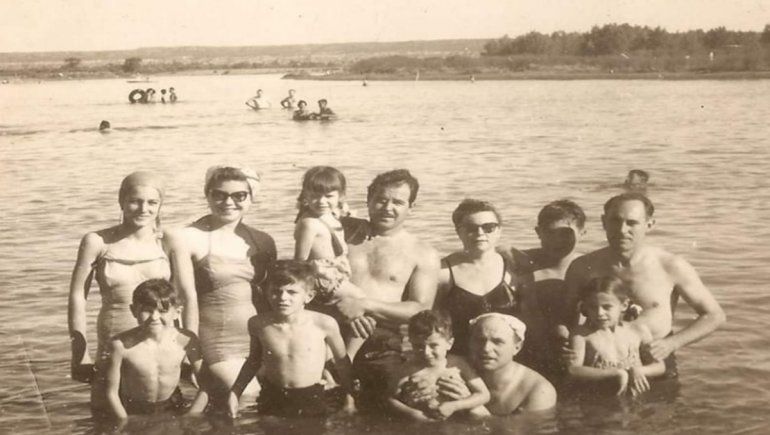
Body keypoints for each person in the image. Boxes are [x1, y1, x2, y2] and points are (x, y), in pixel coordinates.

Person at [563, 193, 726, 377]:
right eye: (615, 221)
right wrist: (567, 346)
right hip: (598, 358)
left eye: (632, 223)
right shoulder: (584, 267)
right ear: (603, 222)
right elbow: (566, 318)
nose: (622, 230)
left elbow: (714, 315)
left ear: (649, 224)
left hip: (654, 359)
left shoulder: (670, 265)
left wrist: (673, 343)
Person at [166, 165, 276, 410]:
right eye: (219, 194)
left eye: (239, 196)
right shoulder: (187, 237)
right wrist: (191, 355)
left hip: (260, 341)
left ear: (250, 198)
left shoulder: (263, 240)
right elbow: (185, 297)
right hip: (218, 343)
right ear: (207, 195)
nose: (229, 202)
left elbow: (273, 297)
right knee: (247, 398)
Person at [68, 171, 178, 414]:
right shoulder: (97, 241)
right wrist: (80, 352)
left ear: (160, 206)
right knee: (107, 413)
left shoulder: (167, 240)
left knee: (161, 412)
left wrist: (186, 347)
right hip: (113, 337)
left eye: (152, 203)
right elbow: (78, 297)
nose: (143, 209)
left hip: (158, 339)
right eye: (135, 201)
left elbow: (185, 297)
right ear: (121, 201)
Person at [334, 169, 440, 411]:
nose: (387, 208)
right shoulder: (342, 232)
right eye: (381, 199)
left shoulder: (422, 252)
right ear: (368, 201)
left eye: (398, 202)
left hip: (382, 341)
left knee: (386, 412)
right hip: (332, 331)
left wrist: (364, 305)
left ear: (410, 207)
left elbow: (421, 309)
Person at [227, 260, 355, 417]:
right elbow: (253, 361)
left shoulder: (324, 323)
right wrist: (235, 393)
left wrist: (350, 398)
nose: (282, 298)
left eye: (292, 292)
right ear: (266, 293)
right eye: (276, 291)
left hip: (310, 397)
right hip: (272, 396)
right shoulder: (258, 324)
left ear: (308, 296)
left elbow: (342, 363)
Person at [104, 279, 204, 419]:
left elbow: (206, 386)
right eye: (147, 310)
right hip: (135, 410)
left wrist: (190, 417)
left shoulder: (187, 340)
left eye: (163, 311)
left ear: (177, 312)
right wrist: (125, 423)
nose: (154, 317)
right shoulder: (120, 345)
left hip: (173, 405)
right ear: (133, 311)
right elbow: (110, 393)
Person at [435, 199, 522, 357]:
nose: (480, 233)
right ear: (458, 231)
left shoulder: (514, 267)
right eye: (471, 228)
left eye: (489, 227)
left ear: (499, 230)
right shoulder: (443, 272)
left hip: (505, 359)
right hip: (459, 357)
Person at [518, 199, 586, 379]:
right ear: (538, 232)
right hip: (533, 349)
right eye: (550, 233)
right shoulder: (522, 263)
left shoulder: (589, 267)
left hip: (576, 349)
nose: (557, 241)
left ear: (583, 233)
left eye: (565, 234)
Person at [567, 276, 664, 396]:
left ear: (624, 305)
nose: (599, 313)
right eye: (593, 307)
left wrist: (639, 370)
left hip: (636, 393)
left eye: (607, 307)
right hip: (599, 396)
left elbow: (659, 365)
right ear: (585, 307)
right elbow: (573, 370)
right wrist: (615, 373)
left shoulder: (638, 330)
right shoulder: (581, 335)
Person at [388, 310, 489, 421]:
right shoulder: (407, 369)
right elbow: (390, 399)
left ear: (449, 343)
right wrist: (413, 414)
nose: (426, 352)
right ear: (411, 342)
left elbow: (483, 394)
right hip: (424, 422)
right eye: (418, 346)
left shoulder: (457, 364)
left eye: (433, 345)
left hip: (458, 420)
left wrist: (455, 406)